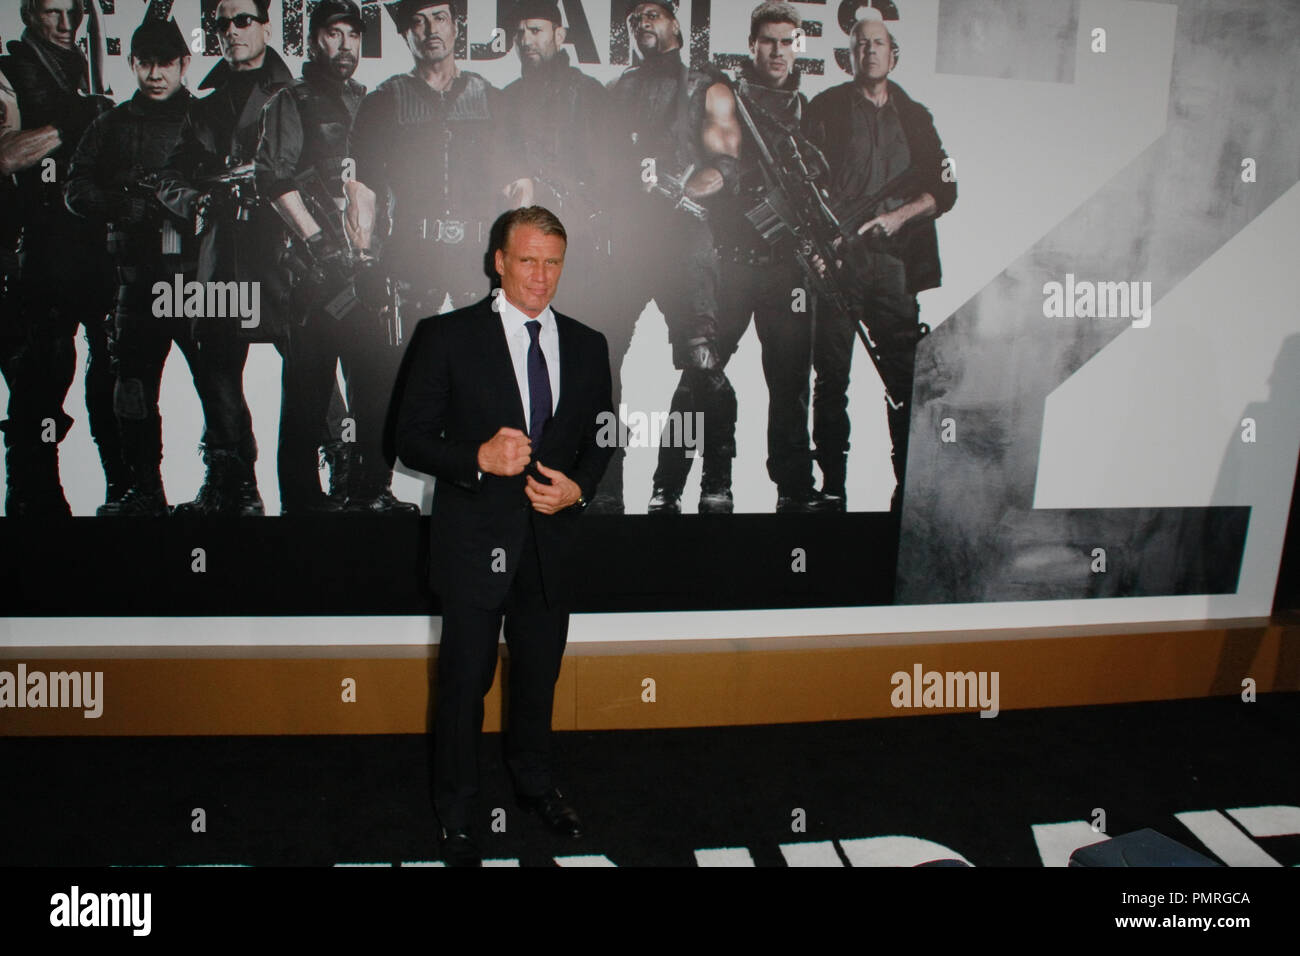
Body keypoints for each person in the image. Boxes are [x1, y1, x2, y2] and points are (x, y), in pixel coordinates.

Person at [395, 206, 613, 867]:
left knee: (538, 680)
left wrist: (581, 487)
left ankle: (534, 783)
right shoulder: (447, 336)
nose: (541, 276)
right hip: (472, 546)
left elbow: (602, 435)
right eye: (527, 261)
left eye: (553, 262)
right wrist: (477, 458)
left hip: (551, 545)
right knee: (464, 685)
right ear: (498, 260)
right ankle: (457, 813)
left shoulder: (587, 342)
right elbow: (405, 440)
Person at [254, 0, 416, 515]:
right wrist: (318, 247)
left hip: (368, 273)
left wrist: (380, 254)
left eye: (352, 34)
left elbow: (386, 183)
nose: (344, 44)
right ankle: (302, 507)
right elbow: (273, 177)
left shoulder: (372, 101)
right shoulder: (291, 100)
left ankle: (371, 493)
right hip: (313, 276)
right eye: (333, 33)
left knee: (375, 387)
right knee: (307, 396)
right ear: (314, 38)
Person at [803, 13, 955, 509]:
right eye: (860, 44)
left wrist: (901, 217)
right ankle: (832, 488)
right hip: (840, 261)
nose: (870, 50)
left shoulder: (917, 116)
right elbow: (802, 190)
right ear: (849, 56)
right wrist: (818, 252)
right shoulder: (824, 109)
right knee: (831, 380)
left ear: (894, 55)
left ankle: (907, 487)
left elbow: (945, 190)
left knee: (903, 379)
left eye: (878, 42)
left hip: (895, 264)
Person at [157, 0, 295, 515]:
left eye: (242, 20)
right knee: (215, 365)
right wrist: (196, 200)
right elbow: (169, 177)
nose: (232, 32)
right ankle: (234, 484)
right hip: (222, 252)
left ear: (264, 25)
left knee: (310, 365)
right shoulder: (204, 103)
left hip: (282, 252)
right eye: (221, 24)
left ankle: (338, 477)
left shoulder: (293, 93)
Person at [607, 0, 742, 514]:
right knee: (603, 357)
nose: (643, 23)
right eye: (634, 17)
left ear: (675, 24)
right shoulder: (619, 89)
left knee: (702, 360)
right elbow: (602, 159)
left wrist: (691, 191)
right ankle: (604, 488)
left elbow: (726, 163)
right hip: (630, 241)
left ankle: (717, 480)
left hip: (685, 239)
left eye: (653, 14)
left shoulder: (705, 86)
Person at [64, 16, 200, 516]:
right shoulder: (111, 125)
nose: (155, 74)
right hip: (135, 282)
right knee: (132, 390)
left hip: (195, 282)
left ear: (184, 63)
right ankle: (145, 491)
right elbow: (75, 187)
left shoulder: (204, 120)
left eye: (166, 63)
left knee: (218, 387)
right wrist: (120, 205)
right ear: (132, 64)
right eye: (145, 63)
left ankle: (229, 490)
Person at [714, 2, 838, 512]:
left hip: (787, 267)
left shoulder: (809, 115)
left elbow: (821, 192)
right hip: (732, 261)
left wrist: (821, 248)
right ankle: (697, 484)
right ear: (752, 44)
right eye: (769, 41)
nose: (778, 51)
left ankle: (792, 487)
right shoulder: (726, 102)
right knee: (703, 371)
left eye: (788, 42)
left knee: (790, 385)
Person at [0, 0, 122, 515]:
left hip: (96, 242)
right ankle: (34, 502)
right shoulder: (9, 73)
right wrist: (68, 125)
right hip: (35, 247)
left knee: (116, 369)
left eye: (75, 11)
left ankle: (127, 491)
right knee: (44, 373)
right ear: (30, 13)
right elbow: (5, 154)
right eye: (55, 12)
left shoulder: (89, 68)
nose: (67, 24)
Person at [346, 0, 529, 334]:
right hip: (409, 261)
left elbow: (517, 185)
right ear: (404, 34)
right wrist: (362, 258)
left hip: (478, 261)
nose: (431, 30)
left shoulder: (491, 98)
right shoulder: (382, 102)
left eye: (439, 18)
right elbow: (362, 189)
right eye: (418, 22)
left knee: (481, 376)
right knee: (408, 374)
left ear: (455, 26)